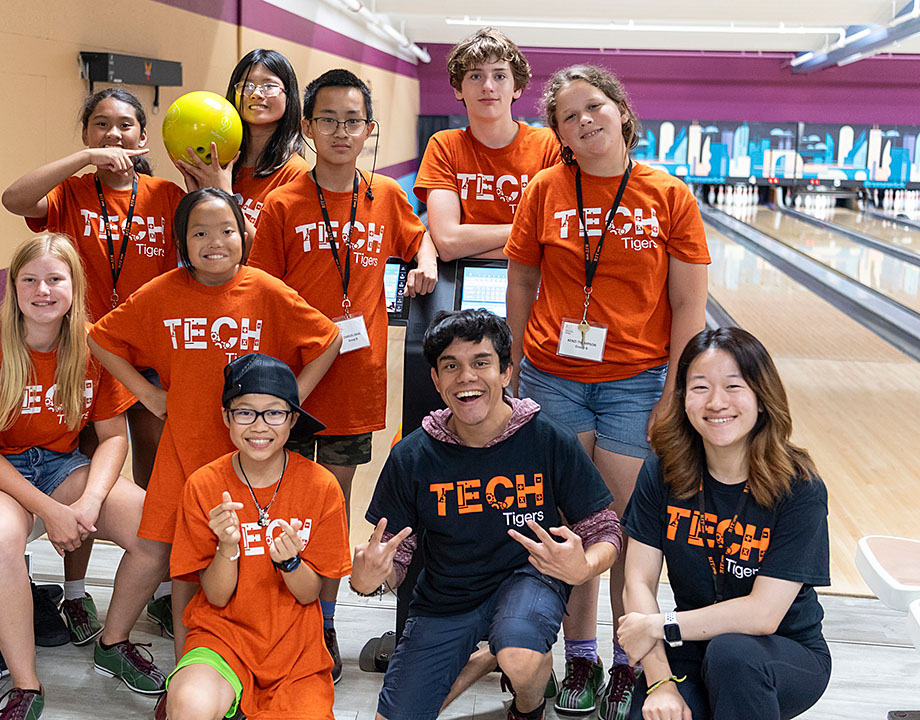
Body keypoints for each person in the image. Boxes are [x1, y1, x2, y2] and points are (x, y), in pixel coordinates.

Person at [504, 64, 710, 718]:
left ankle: (628, 662)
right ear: (559, 132)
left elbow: (689, 304)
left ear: (620, 109)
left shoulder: (668, 194)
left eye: (594, 106)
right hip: (553, 378)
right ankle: (581, 657)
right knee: (568, 523)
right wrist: (511, 364)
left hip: (634, 383)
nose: (584, 120)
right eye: (568, 116)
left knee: (622, 530)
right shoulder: (545, 189)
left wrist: (674, 393)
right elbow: (520, 284)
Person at [87, 187, 341, 669]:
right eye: (199, 233)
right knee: (164, 555)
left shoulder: (265, 289)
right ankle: (114, 644)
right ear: (181, 241)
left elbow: (326, 339)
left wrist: (289, 401)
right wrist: (147, 394)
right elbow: (100, 338)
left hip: (248, 457)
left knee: (219, 560)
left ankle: (217, 662)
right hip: (184, 450)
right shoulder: (162, 292)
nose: (214, 242)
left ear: (244, 234)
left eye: (226, 230)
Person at [249, 68, 437, 681]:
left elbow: (419, 239)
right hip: (292, 385)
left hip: (355, 383)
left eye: (351, 121)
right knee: (276, 504)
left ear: (368, 130)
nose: (339, 131)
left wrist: (427, 261)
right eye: (326, 119)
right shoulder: (283, 202)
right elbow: (262, 291)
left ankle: (323, 623)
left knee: (329, 507)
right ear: (307, 127)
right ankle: (276, 619)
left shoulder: (384, 195)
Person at [0, 233, 169, 720]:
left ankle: (114, 641)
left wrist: (87, 504)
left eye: (55, 279)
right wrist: (52, 511)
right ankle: (26, 686)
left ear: (74, 286)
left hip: (59, 465)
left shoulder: (91, 342)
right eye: (30, 280)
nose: (43, 290)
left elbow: (113, 438)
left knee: (157, 526)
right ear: (14, 287)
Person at [352, 309, 621, 720]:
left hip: (529, 579)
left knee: (519, 649)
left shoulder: (547, 438)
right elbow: (395, 556)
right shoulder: (412, 456)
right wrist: (369, 580)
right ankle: (489, 653)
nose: (466, 377)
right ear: (436, 381)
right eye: (451, 366)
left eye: (481, 363)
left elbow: (605, 528)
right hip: (447, 596)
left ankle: (528, 707)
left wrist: (584, 565)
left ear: (506, 372)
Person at [1, 87, 191, 637]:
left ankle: (158, 589)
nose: (114, 134)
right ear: (86, 134)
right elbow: (15, 199)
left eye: (125, 125)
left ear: (142, 134)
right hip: (80, 356)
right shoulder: (69, 193)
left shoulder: (165, 195)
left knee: (158, 473)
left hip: (151, 356)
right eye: (101, 125)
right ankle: (76, 592)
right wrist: (83, 162)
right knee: (83, 477)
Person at [618, 327, 831, 720]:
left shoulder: (799, 487)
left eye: (733, 386)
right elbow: (638, 583)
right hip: (690, 647)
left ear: (761, 397)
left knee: (732, 653)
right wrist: (661, 683)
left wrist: (660, 624)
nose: (716, 402)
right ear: (683, 400)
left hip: (782, 652)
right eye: (700, 388)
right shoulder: (662, 472)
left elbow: (763, 615)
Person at [165, 353, 352, 720]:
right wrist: (227, 548)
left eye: (274, 412)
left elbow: (309, 592)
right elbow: (215, 597)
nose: (259, 425)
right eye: (245, 412)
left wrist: (290, 562)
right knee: (190, 706)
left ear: (293, 418)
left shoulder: (322, 486)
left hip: (296, 652)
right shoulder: (204, 485)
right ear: (227, 418)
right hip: (222, 639)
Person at [414, 27, 561, 261]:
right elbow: (448, 242)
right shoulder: (444, 145)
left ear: (517, 87)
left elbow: (558, 239)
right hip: (461, 283)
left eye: (500, 76)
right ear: (457, 89)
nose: (488, 86)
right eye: (475, 76)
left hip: (534, 285)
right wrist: (530, 234)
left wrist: (470, 247)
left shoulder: (549, 145)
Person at [175, 48, 310, 234]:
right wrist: (197, 200)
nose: (256, 94)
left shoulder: (296, 173)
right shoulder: (219, 163)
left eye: (269, 85)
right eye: (246, 85)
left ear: (289, 95)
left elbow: (268, 257)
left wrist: (225, 195)